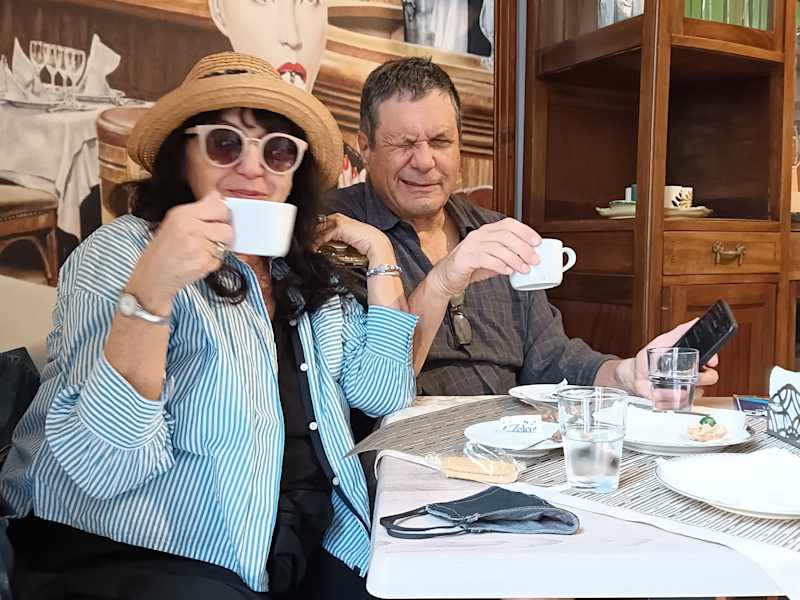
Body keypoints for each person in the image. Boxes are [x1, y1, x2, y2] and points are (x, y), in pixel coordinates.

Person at [0, 52, 417, 599]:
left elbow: (383, 393)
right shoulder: (125, 252)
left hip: (303, 538)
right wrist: (152, 291)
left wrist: (382, 254)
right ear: (184, 157)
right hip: (142, 548)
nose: (253, 168)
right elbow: (103, 467)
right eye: (225, 143)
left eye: (277, 150)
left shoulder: (302, 274)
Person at [328, 56, 719, 398]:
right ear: (366, 147)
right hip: (407, 445)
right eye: (403, 144)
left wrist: (627, 374)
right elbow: (373, 386)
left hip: (512, 439)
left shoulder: (496, 231)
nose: (425, 161)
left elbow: (551, 358)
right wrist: (443, 279)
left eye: (441, 141)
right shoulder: (340, 233)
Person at [209, 0, 366, 188]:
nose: (292, 37)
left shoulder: (350, 175)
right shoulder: (200, 153)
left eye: (309, 1)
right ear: (218, 10)